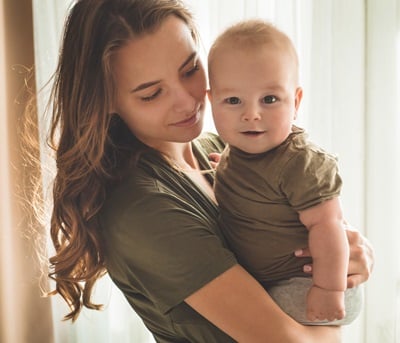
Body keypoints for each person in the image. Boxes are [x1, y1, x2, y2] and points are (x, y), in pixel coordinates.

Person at [33, 0, 374, 342]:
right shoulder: (144, 210)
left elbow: (315, 226)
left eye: (190, 69)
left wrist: (351, 256)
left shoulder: (223, 150)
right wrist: (332, 301)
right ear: (106, 99)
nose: (188, 101)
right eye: (152, 94)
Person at [207, 19, 363, 325]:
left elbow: (329, 226)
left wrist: (327, 288)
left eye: (269, 99)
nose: (251, 114)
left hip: (307, 282)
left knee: (254, 318)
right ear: (211, 102)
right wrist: (224, 170)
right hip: (273, 280)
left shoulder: (299, 163)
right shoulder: (236, 153)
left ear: (296, 101)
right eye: (233, 100)